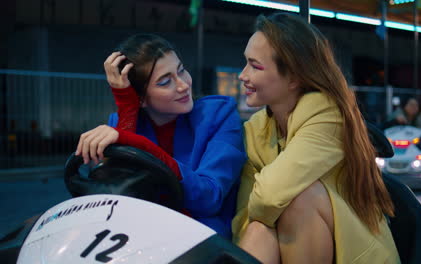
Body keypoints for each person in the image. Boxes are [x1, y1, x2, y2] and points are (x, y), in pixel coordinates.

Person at [231, 13, 400, 263]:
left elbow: (268, 196)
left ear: (295, 77)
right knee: (256, 227)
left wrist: (269, 202)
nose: (242, 75)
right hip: (289, 247)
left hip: (354, 253)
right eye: (246, 63)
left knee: (299, 199)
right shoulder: (256, 129)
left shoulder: (327, 114)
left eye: (255, 66)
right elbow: (246, 215)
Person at [75, 33, 246, 239]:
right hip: (142, 238)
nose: (183, 85)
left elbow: (209, 198)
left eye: (181, 71)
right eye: (165, 82)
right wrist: (128, 108)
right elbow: (121, 196)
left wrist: (137, 144)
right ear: (141, 98)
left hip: (203, 239)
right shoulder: (121, 126)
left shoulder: (219, 114)